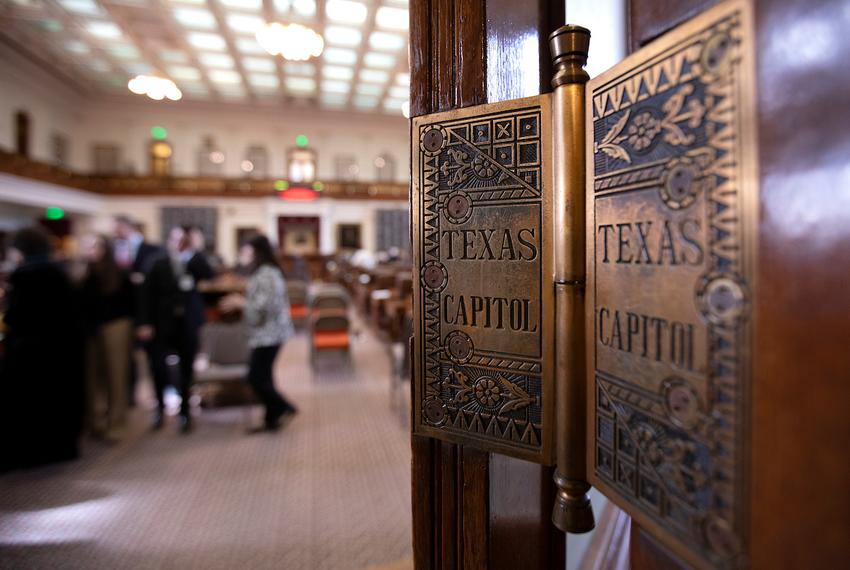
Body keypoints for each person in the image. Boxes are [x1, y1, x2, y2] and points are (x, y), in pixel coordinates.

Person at [1, 227, 84, 471]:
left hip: (32, 353)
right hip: (60, 353)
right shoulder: (58, 274)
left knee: (32, 405)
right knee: (56, 403)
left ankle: (33, 452)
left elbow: (17, 318)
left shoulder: (27, 276)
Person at [138, 226, 213, 433]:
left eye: (184, 239)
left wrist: (193, 252)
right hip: (161, 324)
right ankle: (160, 409)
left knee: (186, 370)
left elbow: (208, 274)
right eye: (176, 239)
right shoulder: (156, 263)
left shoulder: (193, 261)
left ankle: (185, 413)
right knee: (159, 369)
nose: (180, 242)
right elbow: (145, 295)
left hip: (186, 323)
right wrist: (144, 323)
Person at [220, 235, 297, 432]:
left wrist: (240, 302)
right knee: (265, 377)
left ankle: (284, 407)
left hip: (270, 334)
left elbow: (267, 306)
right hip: (265, 334)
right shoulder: (263, 272)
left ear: (257, 252)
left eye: (246, 250)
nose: (243, 255)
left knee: (255, 377)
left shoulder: (267, 273)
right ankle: (271, 419)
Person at [80, 234, 134, 442]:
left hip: (116, 327)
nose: (92, 251)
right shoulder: (85, 275)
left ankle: (116, 422)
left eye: (96, 247)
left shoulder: (119, 274)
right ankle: (95, 421)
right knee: (93, 377)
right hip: (91, 330)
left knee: (116, 376)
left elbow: (130, 303)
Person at [113, 215, 163, 407]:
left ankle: (157, 401)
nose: (116, 233)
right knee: (123, 359)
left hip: (147, 312)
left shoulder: (153, 250)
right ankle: (128, 397)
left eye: (117, 228)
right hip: (122, 312)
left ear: (127, 227)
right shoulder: (115, 250)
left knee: (152, 359)